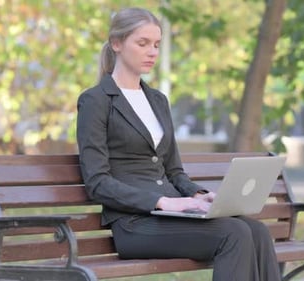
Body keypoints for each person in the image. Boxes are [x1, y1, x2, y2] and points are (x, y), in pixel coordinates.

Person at [76, 7, 281, 281]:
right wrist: (163, 202)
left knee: (258, 231)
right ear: (117, 44)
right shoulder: (96, 101)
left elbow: (173, 171)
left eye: (157, 45)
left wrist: (197, 195)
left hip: (170, 217)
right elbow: (97, 182)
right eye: (143, 43)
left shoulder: (157, 100)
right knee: (235, 233)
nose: (152, 52)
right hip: (134, 223)